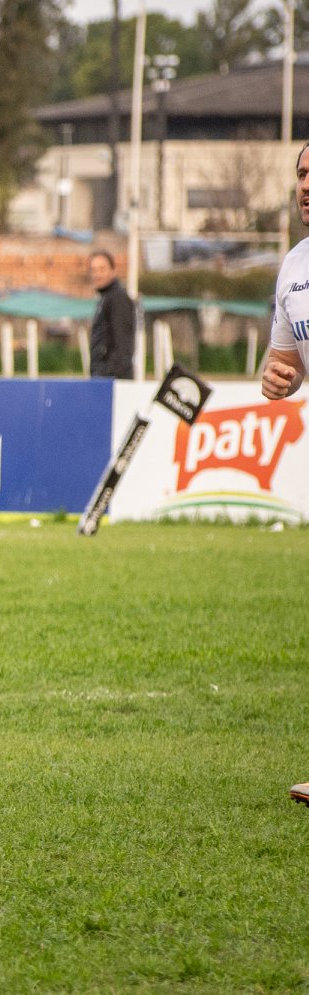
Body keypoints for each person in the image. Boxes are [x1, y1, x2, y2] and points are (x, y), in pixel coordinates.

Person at [265, 142, 308, 810]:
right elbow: (283, 363)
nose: (306, 183)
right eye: (302, 172)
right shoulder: (294, 266)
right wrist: (277, 377)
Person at [88, 250, 135, 379]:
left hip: (111, 378)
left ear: (113, 271)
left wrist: (110, 376)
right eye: (93, 270)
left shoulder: (118, 298)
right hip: (102, 375)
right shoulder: (105, 298)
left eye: (102, 269)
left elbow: (122, 343)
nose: (97, 274)